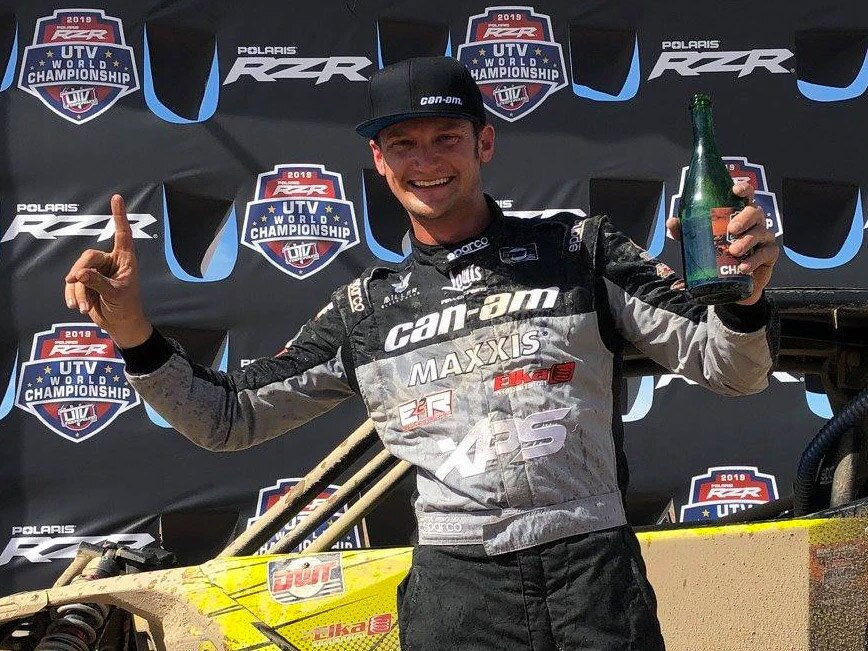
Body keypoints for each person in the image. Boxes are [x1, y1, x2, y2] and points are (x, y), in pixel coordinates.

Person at [65, 56, 780, 650]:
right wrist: (132, 332)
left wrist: (742, 300)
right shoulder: (365, 311)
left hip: (592, 572)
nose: (427, 161)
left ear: (484, 143)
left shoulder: (578, 250)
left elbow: (733, 369)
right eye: (404, 144)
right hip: (459, 591)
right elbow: (228, 418)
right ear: (379, 161)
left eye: (446, 138)